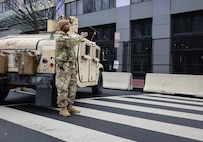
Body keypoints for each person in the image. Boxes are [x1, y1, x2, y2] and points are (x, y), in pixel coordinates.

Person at [55, 18, 88, 117]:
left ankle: (70, 105)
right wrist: (81, 37)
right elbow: (71, 42)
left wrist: (75, 67)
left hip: (71, 66)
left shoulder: (67, 36)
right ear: (62, 27)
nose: (69, 26)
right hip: (63, 66)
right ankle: (63, 108)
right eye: (66, 24)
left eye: (69, 24)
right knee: (63, 87)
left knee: (72, 87)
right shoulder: (60, 37)